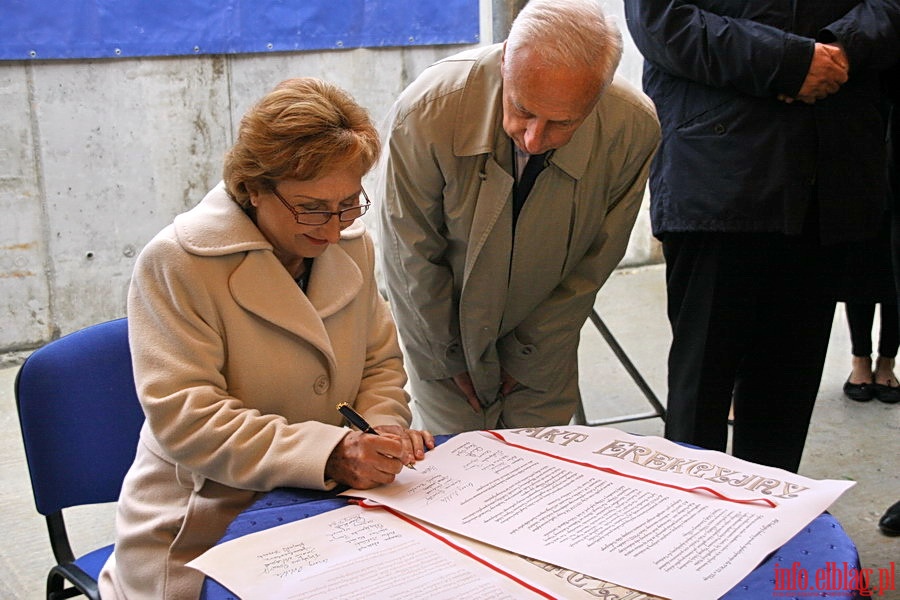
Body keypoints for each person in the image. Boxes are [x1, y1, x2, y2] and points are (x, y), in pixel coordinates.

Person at [98, 78, 434, 598]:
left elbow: (380, 363)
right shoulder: (178, 262)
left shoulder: (351, 243)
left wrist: (382, 429)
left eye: (348, 203)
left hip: (329, 504)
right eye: (312, 207)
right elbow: (188, 418)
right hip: (206, 520)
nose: (331, 229)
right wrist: (332, 452)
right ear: (253, 187)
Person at [624, 1, 900, 472]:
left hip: (826, 171)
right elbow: (662, 21)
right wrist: (788, 62)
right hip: (717, 173)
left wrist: (840, 49)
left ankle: (773, 529)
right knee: (701, 398)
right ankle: (691, 535)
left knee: (786, 396)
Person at [375, 0, 660, 433]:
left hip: (546, 342)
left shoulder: (632, 128)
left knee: (540, 472)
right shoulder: (427, 110)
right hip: (438, 329)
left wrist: (532, 356)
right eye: (523, 109)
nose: (533, 139)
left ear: (598, 96)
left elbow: (593, 263)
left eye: (562, 123)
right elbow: (408, 254)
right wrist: (445, 356)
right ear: (505, 58)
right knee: (458, 469)